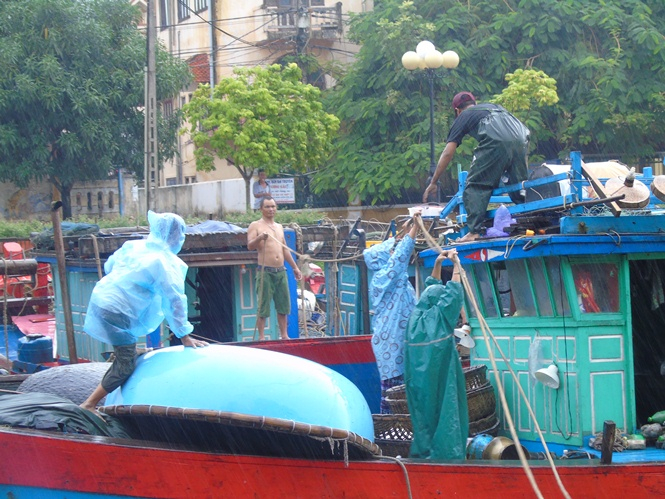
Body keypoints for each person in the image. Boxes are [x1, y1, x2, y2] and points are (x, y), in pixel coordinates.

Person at [80, 211, 208, 413]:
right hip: (117, 309)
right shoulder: (165, 263)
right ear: (176, 236)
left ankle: (128, 350)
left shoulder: (134, 246)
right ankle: (89, 404)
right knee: (126, 366)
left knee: (126, 344)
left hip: (101, 298)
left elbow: (110, 266)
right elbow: (174, 300)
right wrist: (184, 336)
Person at [423, 91, 530, 243]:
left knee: (475, 186)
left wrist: (433, 182)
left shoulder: (464, 116)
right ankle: (528, 218)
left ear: (457, 111)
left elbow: (447, 153)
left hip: (497, 141)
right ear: (475, 103)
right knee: (518, 184)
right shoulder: (493, 107)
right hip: (521, 137)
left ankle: (474, 232)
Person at [404, 248, 469, 460]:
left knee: (423, 419)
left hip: (418, 382)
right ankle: (447, 455)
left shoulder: (416, 317)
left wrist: (439, 265)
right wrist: (457, 266)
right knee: (446, 413)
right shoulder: (441, 318)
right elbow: (454, 293)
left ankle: (424, 455)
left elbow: (432, 290)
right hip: (441, 378)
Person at [363, 210, 421, 413]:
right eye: (387, 253)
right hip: (392, 343)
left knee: (399, 391)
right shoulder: (384, 276)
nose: (391, 254)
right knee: (394, 394)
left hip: (396, 340)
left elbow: (398, 254)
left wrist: (407, 231)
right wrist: (415, 228)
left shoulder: (386, 276)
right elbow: (402, 255)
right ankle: (391, 431)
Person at [247, 196, 302, 340]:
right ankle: (261, 336)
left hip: (280, 271)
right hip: (265, 271)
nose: (271, 209)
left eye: (273, 206)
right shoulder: (256, 225)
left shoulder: (279, 226)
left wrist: (295, 268)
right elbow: (250, 245)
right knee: (263, 307)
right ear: (261, 209)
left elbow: (285, 250)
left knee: (283, 306)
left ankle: (284, 335)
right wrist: (260, 238)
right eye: (267, 207)